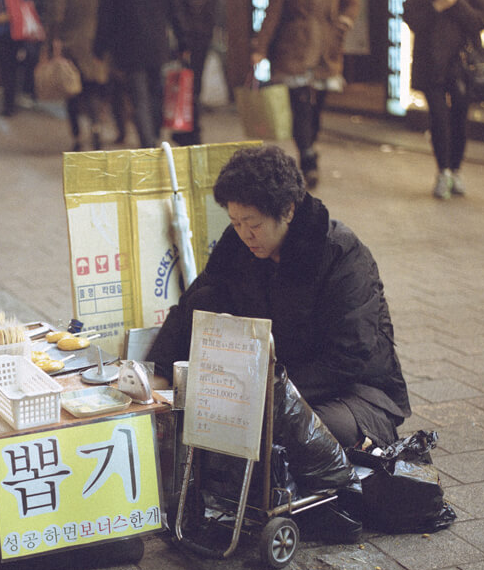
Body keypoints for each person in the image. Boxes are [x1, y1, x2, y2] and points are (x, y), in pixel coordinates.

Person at [147, 145, 410, 450]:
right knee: (213, 422)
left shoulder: (341, 254)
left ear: (288, 211)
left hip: (355, 392)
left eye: (254, 224)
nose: (245, 234)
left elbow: (348, 355)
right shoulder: (240, 244)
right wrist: (159, 373)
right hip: (274, 387)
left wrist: (264, 396)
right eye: (235, 222)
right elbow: (196, 300)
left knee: (290, 434)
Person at [249, 0, 359, 189]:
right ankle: (308, 158)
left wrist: (343, 24)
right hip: (293, 50)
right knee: (300, 106)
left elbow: (351, 2)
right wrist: (260, 48)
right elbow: (274, 11)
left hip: (325, 51)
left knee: (316, 107)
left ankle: (309, 144)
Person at [403, 0, 484, 199]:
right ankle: (443, 172)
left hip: (462, 64)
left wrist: (456, 4)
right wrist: (436, 7)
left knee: (459, 117)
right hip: (430, 62)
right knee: (438, 118)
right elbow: (410, 16)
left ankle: (455, 170)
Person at [93, 0, 181, 149]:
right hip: (157, 43)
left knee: (139, 97)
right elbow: (174, 7)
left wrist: (99, 46)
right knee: (156, 92)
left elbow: (106, 10)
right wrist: (183, 40)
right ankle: (155, 134)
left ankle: (148, 143)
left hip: (128, 44)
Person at [44, 0, 110, 151]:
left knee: (71, 89)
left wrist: (50, 45)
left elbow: (55, 16)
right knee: (92, 88)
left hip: (69, 43)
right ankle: (96, 126)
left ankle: (77, 134)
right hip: (96, 42)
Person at [171, 0, 218, 146]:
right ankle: (191, 130)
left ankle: (188, 129)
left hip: (193, 41)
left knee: (189, 86)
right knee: (191, 87)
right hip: (196, 40)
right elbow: (182, 12)